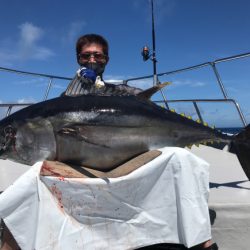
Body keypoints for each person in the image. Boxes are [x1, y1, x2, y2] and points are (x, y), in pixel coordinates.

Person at [63, 33, 142, 97]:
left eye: (98, 56)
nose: (92, 61)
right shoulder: (65, 96)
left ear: (106, 60)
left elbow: (142, 95)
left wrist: (99, 86)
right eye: (86, 55)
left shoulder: (121, 91)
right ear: (78, 59)